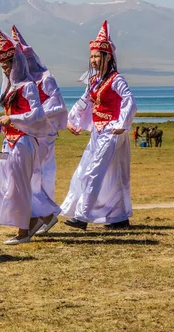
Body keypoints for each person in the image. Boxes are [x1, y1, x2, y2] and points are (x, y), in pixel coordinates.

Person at [60, 20, 137, 230]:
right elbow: (84, 102)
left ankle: (82, 216)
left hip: (112, 130)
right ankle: (118, 218)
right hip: (97, 130)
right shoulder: (94, 81)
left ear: (107, 56)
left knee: (94, 171)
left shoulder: (116, 79)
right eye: (91, 56)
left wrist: (122, 123)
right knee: (96, 171)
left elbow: (129, 100)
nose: (93, 60)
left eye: (97, 56)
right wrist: (71, 121)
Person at [0, 27, 53, 245]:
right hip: (9, 142)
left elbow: (37, 113)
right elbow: (11, 115)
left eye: (7, 66)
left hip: (23, 142)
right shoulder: (10, 88)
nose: (5, 70)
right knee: (4, 184)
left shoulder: (28, 86)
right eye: (2, 67)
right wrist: (1, 122)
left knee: (18, 186)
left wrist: (12, 119)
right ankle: (38, 218)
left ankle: (23, 231)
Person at [11, 25, 68, 235]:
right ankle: (35, 216)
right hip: (30, 133)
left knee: (40, 175)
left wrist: (38, 115)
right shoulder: (22, 82)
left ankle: (43, 215)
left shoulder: (46, 79)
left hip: (44, 134)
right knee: (31, 176)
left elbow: (58, 104)